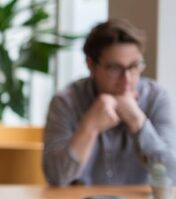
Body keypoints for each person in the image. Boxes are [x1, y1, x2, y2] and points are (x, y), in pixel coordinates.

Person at [44, 19, 176, 186]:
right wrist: (90, 126)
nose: (126, 79)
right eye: (115, 68)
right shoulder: (66, 102)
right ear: (91, 65)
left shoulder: (157, 98)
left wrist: (138, 122)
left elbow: (173, 176)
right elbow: (56, 178)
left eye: (134, 66)